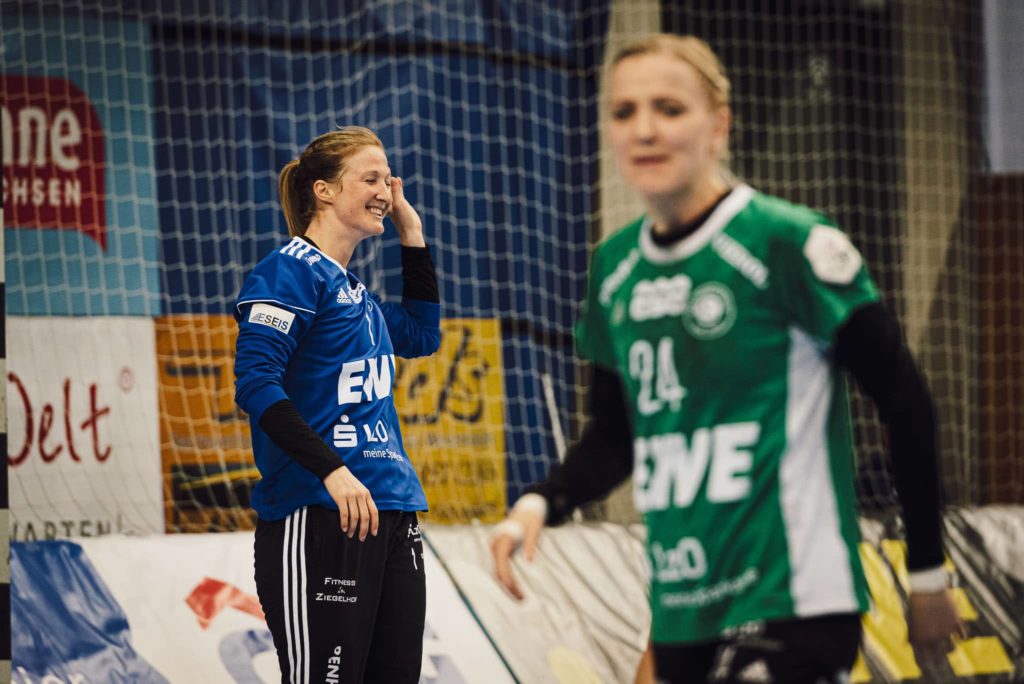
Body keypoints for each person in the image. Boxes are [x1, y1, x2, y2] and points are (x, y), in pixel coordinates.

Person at [490, 34, 962, 683]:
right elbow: (617, 436)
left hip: (794, 598)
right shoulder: (615, 270)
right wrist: (540, 503)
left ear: (718, 125)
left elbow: (905, 401)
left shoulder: (788, 241)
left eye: (669, 108)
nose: (645, 129)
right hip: (684, 606)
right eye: (625, 112)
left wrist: (928, 574)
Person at [233, 126, 441, 684]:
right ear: (323, 191)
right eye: (371, 179)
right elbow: (255, 383)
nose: (385, 191)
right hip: (319, 511)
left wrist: (412, 232)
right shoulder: (290, 271)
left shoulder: (355, 293)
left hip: (391, 511)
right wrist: (332, 469)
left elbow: (422, 335)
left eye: (388, 180)